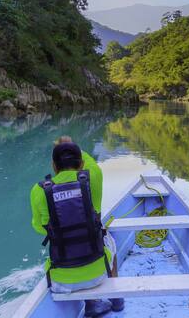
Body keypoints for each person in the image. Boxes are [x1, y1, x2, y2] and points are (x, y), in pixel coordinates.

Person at [30, 136, 124, 317]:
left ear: (54, 166)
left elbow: (39, 228)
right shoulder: (92, 177)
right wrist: (70, 143)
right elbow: (89, 164)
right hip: (98, 274)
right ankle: (117, 299)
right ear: (81, 163)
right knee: (107, 238)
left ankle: (91, 304)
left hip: (60, 281)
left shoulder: (39, 191)